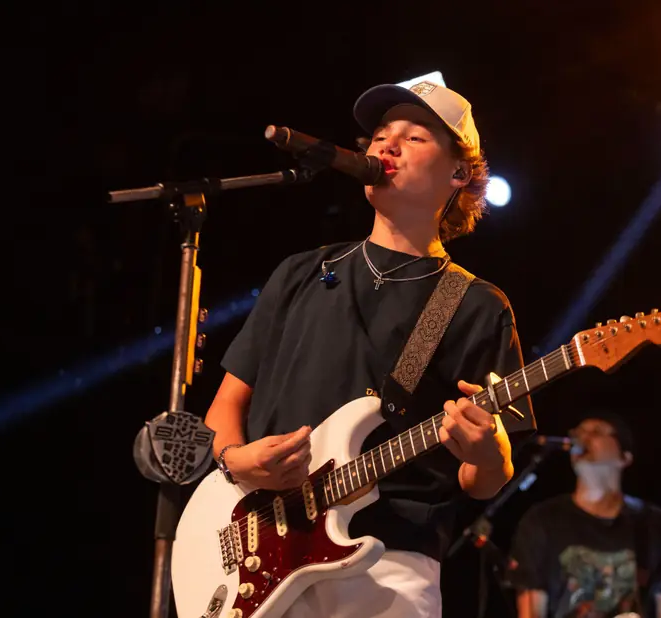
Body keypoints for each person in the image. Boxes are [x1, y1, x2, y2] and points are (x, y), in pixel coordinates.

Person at [202, 80, 534, 617]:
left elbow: (483, 482)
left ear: (458, 173)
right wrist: (236, 461)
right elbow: (226, 405)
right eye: (380, 135)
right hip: (257, 557)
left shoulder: (476, 304)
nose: (387, 146)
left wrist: (488, 453)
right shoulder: (301, 272)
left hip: (387, 566)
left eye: (414, 137)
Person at [506, 411, 661, 618]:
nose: (583, 438)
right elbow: (531, 613)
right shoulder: (542, 520)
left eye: (596, 432)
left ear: (624, 457)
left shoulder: (656, 524)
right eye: (578, 432)